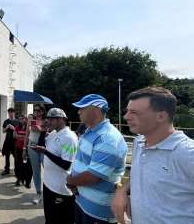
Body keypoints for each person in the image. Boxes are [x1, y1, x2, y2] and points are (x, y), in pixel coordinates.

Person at [112, 87, 194, 224]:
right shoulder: (140, 142)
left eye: (134, 112)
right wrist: (123, 191)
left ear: (161, 116)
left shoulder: (187, 153)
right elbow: (138, 174)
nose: (126, 116)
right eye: (127, 111)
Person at [67, 94, 128, 224]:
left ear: (97, 109)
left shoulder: (107, 138)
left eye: (83, 108)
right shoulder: (90, 132)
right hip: (83, 201)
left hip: (97, 212)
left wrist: (69, 181)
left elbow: (93, 177)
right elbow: (81, 162)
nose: (79, 112)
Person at [32, 108, 78, 224]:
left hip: (61, 188)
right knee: (49, 218)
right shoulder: (53, 133)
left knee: (60, 220)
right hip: (48, 185)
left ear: (61, 119)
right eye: (48, 119)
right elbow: (42, 144)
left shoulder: (69, 138)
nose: (49, 122)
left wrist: (46, 152)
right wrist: (42, 131)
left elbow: (66, 164)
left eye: (52, 119)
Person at [23, 103, 47, 204]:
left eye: (38, 110)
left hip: (43, 147)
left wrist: (41, 130)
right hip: (32, 146)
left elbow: (53, 135)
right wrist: (24, 149)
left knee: (48, 169)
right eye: (35, 110)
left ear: (42, 111)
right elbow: (26, 135)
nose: (36, 112)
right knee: (36, 171)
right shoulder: (30, 121)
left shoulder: (47, 121)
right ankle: (38, 193)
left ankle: (50, 191)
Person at [13, 114, 33, 187]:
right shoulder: (18, 127)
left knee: (27, 165)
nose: (21, 120)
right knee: (19, 164)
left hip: (27, 148)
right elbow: (14, 135)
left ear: (25, 119)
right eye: (20, 119)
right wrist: (24, 137)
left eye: (23, 119)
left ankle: (28, 181)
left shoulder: (29, 127)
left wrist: (20, 137)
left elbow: (29, 137)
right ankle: (19, 178)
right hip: (18, 147)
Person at [1, 108, 19, 175]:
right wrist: (7, 127)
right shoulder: (6, 121)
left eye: (12, 113)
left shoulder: (17, 122)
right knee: (7, 155)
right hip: (7, 140)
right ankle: (6, 169)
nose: (10, 114)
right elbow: (3, 131)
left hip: (15, 141)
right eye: (9, 113)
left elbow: (19, 131)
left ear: (14, 113)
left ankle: (16, 170)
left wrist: (13, 128)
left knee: (15, 156)